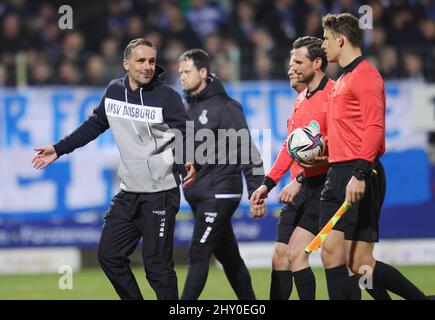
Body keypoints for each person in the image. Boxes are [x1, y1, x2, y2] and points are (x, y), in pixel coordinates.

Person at [31, 38, 197, 300]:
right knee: (109, 256)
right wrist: (59, 148)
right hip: (129, 191)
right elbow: (94, 125)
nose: (147, 66)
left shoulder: (167, 96)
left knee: (157, 269)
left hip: (160, 193)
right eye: (141, 60)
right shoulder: (114, 91)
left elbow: (185, 132)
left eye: (152, 61)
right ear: (126, 63)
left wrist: (186, 159)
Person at [320, 13, 427, 300]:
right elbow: (342, 132)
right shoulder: (342, 79)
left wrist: (359, 173)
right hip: (339, 173)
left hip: (359, 173)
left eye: (326, 39)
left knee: (360, 263)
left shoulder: (366, 76)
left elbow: (375, 127)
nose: (323, 45)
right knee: (340, 257)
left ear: (341, 39)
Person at [177, 48, 265, 300]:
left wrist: (256, 191)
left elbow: (247, 149)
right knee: (229, 257)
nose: (181, 77)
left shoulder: (226, 107)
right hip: (200, 194)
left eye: (187, 72)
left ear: (203, 73)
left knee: (198, 254)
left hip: (220, 192)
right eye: (180, 72)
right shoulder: (187, 108)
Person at [250, 36, 333, 300]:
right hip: (301, 187)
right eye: (290, 61)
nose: (291, 68)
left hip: (323, 187)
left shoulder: (333, 95)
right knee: (280, 257)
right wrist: (267, 184)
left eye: (297, 61)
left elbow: (340, 146)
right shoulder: (300, 101)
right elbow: (289, 148)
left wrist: (300, 178)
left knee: (302, 254)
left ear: (317, 63)